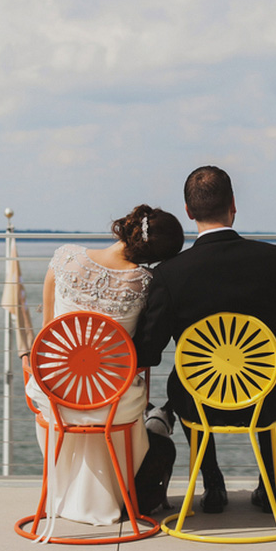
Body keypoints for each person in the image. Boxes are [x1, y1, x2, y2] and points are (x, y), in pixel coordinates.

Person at [134, 165, 276, 514]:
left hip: (200, 401)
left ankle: (212, 480)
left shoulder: (169, 273)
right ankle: (270, 486)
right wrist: (258, 364)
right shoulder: (273, 259)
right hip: (264, 398)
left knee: (181, 380)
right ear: (233, 205)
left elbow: (149, 351)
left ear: (188, 212)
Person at [25, 203, 184, 526]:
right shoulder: (145, 283)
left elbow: (44, 336)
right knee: (137, 398)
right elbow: (138, 352)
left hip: (54, 394)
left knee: (63, 388)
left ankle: (61, 492)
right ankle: (124, 482)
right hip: (109, 401)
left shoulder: (64, 258)